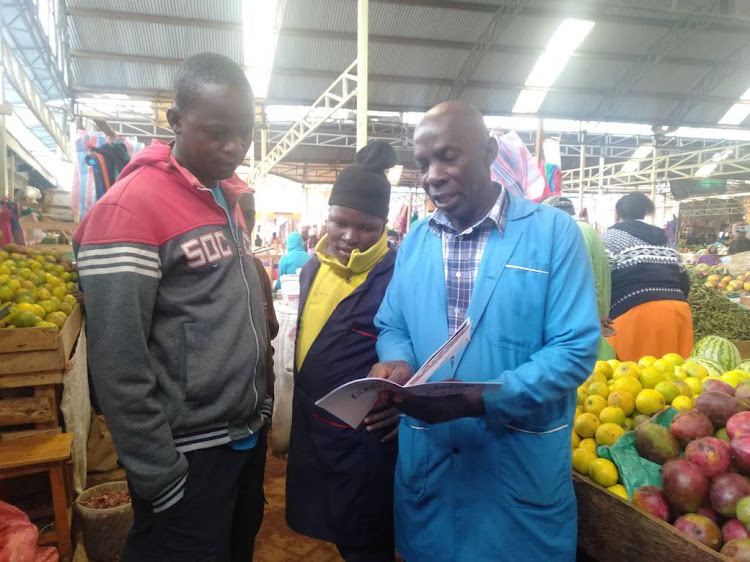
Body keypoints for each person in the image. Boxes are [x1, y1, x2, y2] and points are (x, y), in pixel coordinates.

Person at [369, 101, 600, 561]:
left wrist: (481, 399)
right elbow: (393, 324)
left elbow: (574, 348)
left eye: (448, 156)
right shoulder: (415, 241)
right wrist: (397, 360)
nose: (433, 175)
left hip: (516, 471)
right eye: (422, 164)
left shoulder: (554, 235)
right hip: (430, 468)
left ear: (489, 151)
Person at [74, 53, 271, 561]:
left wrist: (262, 404)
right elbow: (118, 363)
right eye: (217, 131)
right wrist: (160, 475)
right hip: (187, 454)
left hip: (241, 437)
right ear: (176, 121)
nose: (234, 148)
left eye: (244, 133)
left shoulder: (223, 197)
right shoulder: (127, 210)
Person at [286, 141, 400, 562]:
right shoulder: (313, 267)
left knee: (365, 539)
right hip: (315, 429)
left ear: (385, 225)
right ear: (327, 217)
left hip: (365, 438)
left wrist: (405, 404)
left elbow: (423, 351)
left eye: (368, 227)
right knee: (331, 523)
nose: (351, 238)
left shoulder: (396, 276)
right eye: (339, 222)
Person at [602, 192, 693, 360]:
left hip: (634, 314)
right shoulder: (666, 241)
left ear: (616, 214)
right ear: (646, 213)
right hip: (677, 314)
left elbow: (599, 283)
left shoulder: (608, 239)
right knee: (675, 377)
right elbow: (684, 282)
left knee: (631, 378)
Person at [546, 196, 616, 360]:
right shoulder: (587, 229)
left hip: (585, 327)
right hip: (594, 320)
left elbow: (588, 282)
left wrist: (594, 319)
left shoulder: (573, 230)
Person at [239, 191, 280, 391]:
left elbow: (270, 328)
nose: (243, 223)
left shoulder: (256, 268)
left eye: (249, 215)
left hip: (260, 383)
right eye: (236, 213)